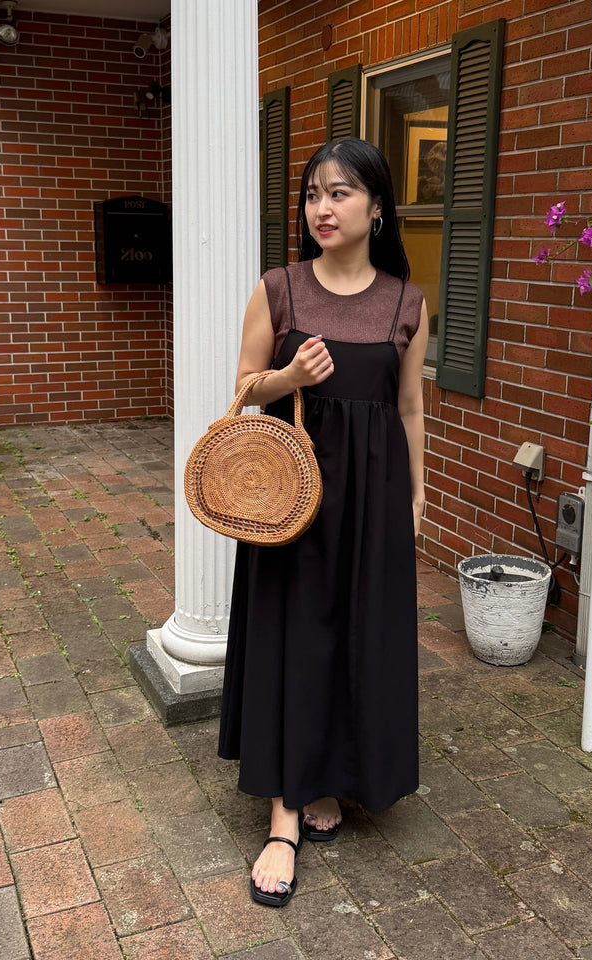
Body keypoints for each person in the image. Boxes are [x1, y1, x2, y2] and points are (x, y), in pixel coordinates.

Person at [217, 137, 428, 907]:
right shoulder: (279, 289)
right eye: (312, 194)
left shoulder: (407, 303)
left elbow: (410, 407)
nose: (322, 208)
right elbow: (244, 388)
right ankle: (284, 814)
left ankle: (330, 775)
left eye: (340, 193)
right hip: (291, 497)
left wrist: (417, 495)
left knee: (356, 633)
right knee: (294, 638)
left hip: (374, 499)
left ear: (377, 207)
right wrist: (290, 374)